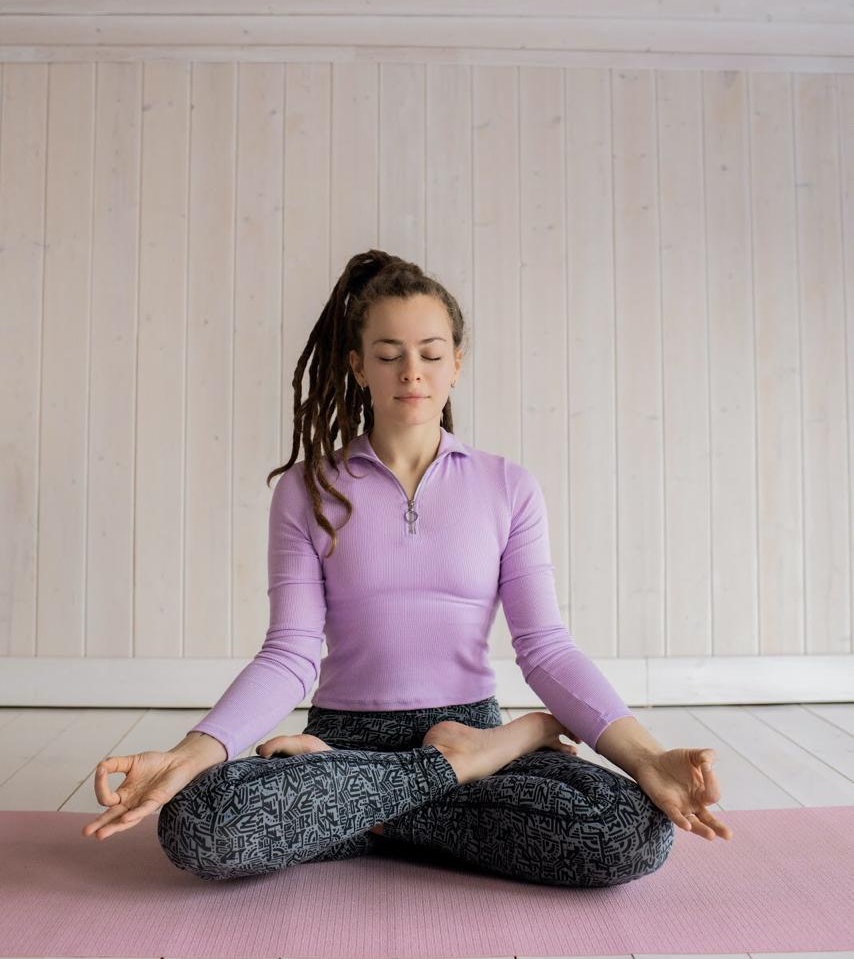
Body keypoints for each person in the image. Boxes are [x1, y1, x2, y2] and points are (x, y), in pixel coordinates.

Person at [82, 250, 732, 885]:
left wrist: (646, 756)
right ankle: (448, 771)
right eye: (389, 355)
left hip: (463, 730)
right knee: (198, 823)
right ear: (359, 366)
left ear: (457, 364)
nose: (411, 372)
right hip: (355, 737)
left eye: (430, 353)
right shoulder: (308, 488)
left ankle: (361, 808)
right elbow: (289, 653)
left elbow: (545, 647)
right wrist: (187, 755)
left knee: (632, 831)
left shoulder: (508, 486)